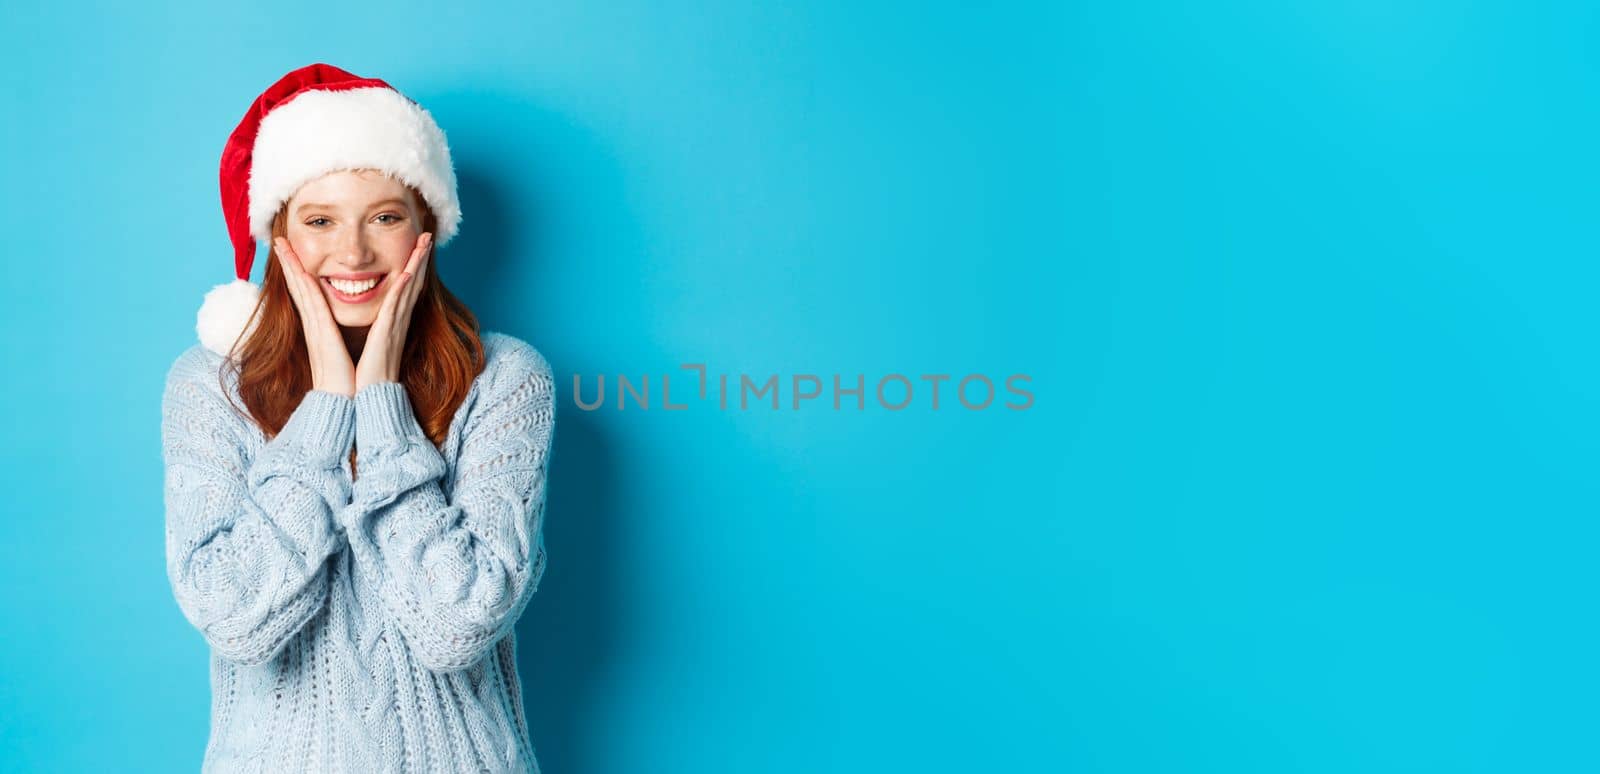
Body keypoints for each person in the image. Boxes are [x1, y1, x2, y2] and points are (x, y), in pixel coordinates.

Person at [160, 63, 555, 773]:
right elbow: (234, 620)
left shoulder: (505, 379)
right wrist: (326, 414)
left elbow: (456, 626)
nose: (353, 252)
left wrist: (380, 405)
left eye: (384, 216)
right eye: (319, 220)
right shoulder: (211, 385)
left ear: (424, 228)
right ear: (278, 234)